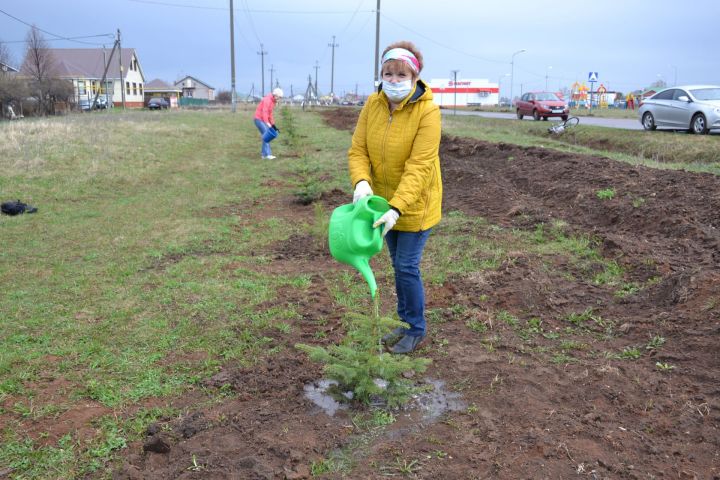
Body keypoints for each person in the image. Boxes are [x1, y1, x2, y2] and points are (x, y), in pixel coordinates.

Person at [348, 41, 442, 354]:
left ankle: (415, 328)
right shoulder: (372, 106)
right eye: (388, 73)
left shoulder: (428, 112)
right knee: (396, 264)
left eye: (401, 74)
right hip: (380, 204)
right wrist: (362, 181)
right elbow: (358, 149)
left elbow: (419, 167)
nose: (394, 79)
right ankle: (404, 324)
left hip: (415, 205)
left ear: (415, 76)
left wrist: (397, 208)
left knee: (406, 266)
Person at [254, 87, 283, 159]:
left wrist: (273, 126)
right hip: (259, 119)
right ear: (275, 95)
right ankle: (267, 155)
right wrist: (268, 124)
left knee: (266, 136)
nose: (279, 99)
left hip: (263, 120)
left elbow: (270, 114)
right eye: (279, 97)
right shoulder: (267, 100)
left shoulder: (273, 102)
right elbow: (264, 113)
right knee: (267, 135)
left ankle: (264, 154)